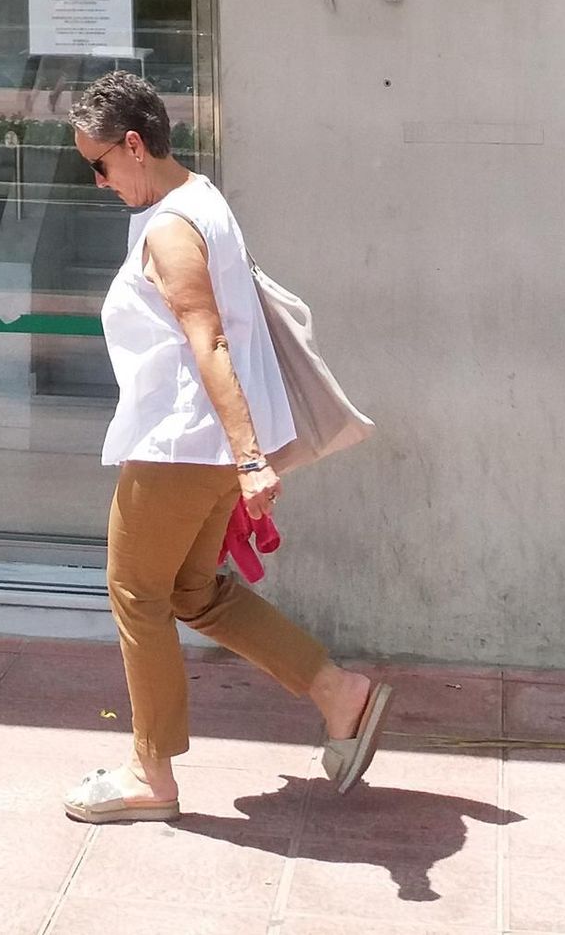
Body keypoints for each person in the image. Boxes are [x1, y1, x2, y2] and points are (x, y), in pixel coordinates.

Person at [64, 68, 390, 823]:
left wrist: (249, 459)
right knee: (190, 592)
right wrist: (244, 454)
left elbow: (207, 339)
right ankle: (338, 691)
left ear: (135, 145)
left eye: (100, 164)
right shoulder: (198, 198)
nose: (100, 180)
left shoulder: (171, 226)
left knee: (135, 591)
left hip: (181, 443)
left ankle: (152, 772)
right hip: (206, 446)